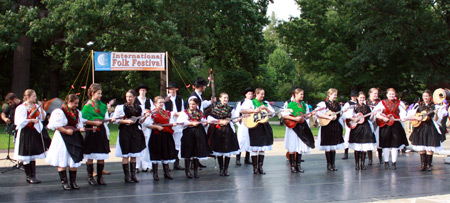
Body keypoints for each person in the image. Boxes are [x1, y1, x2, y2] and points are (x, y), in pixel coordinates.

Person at [46, 94, 85, 190]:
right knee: (62, 158)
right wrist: (65, 131)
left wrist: (80, 128)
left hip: (74, 136)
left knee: (74, 158)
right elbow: (55, 125)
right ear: (69, 102)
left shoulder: (77, 112)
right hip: (62, 138)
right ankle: (64, 182)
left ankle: (73, 182)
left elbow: (78, 124)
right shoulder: (60, 112)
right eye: (75, 103)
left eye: (77, 103)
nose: (76, 105)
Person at [113, 89, 148, 183]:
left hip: (135, 131)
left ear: (134, 97)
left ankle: (133, 175)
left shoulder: (139, 107)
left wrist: (144, 117)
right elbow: (115, 120)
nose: (128, 98)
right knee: (126, 154)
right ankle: (127, 176)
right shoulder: (121, 107)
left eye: (130, 97)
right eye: (127, 97)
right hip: (125, 131)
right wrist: (126, 121)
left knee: (134, 153)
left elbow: (140, 121)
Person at [82, 83, 112, 185]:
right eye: (98, 93)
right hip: (90, 131)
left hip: (101, 131)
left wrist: (108, 119)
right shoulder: (87, 106)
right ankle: (90, 177)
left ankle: (100, 177)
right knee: (90, 154)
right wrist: (93, 122)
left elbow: (105, 119)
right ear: (92, 93)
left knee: (101, 154)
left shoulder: (103, 106)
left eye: (101, 93)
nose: (100, 96)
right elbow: (82, 119)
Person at [408, 90, 446, 171]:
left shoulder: (434, 106)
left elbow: (436, 119)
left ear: (430, 97)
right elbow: (412, 116)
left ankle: (429, 164)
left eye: (427, 96)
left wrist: (435, 113)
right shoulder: (418, 106)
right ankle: (423, 164)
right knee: (421, 146)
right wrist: (417, 117)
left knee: (429, 146)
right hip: (420, 127)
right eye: (424, 96)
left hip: (430, 127)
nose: (425, 97)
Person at [14, 89, 46, 184]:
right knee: (26, 153)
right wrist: (31, 121)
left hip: (34, 131)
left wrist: (42, 108)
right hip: (26, 132)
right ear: (27, 97)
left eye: (35, 96)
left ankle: (33, 175)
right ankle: (29, 176)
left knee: (32, 153)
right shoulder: (22, 107)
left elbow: (42, 118)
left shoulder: (36, 106)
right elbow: (19, 121)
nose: (35, 98)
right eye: (33, 96)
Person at [240, 88, 275, 175]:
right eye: (261, 94)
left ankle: (260, 167)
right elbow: (242, 110)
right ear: (256, 94)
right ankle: (255, 168)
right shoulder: (250, 102)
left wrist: (266, 109)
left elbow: (273, 114)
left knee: (263, 147)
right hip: (254, 126)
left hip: (264, 126)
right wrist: (254, 110)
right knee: (255, 147)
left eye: (263, 94)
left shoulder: (265, 103)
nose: (262, 96)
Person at [177, 97, 212, 178]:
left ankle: (196, 171)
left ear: (197, 105)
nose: (192, 106)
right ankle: (187, 171)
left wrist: (206, 123)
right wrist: (191, 123)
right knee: (188, 150)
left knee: (197, 151)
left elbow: (203, 122)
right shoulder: (185, 113)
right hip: (189, 133)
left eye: (193, 104)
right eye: (190, 104)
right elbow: (181, 122)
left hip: (199, 133)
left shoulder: (200, 113)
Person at [373, 88, 408, 170]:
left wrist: (403, 118)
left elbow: (403, 113)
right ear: (387, 95)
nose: (391, 95)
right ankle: (386, 162)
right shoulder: (382, 103)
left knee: (395, 145)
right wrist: (383, 117)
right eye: (390, 94)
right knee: (386, 145)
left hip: (395, 125)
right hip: (386, 126)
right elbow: (376, 113)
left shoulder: (400, 103)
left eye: (393, 94)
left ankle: (394, 163)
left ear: (395, 94)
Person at [282, 88, 316, 173]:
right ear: (295, 95)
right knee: (292, 145)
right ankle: (293, 166)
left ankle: (298, 165)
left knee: (300, 144)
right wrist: (295, 119)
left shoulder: (304, 105)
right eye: (300, 94)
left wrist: (310, 115)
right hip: (293, 127)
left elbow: (305, 116)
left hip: (302, 126)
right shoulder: (289, 104)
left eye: (303, 94)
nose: (302, 96)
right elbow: (284, 115)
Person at [146, 96, 178, 181]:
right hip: (156, 135)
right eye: (159, 102)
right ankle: (155, 173)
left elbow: (170, 122)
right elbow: (148, 124)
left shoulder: (167, 113)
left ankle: (166, 172)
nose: (161, 104)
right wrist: (156, 127)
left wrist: (172, 124)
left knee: (166, 152)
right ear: (155, 103)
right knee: (156, 152)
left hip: (166, 134)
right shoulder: (152, 113)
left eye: (162, 102)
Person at [208, 92, 240, 176]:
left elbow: (234, 119)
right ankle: (221, 169)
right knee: (219, 150)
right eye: (224, 98)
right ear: (220, 98)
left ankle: (226, 169)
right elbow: (209, 118)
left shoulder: (230, 109)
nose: (226, 99)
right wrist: (219, 121)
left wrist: (238, 119)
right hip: (218, 131)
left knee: (227, 150)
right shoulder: (215, 108)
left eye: (227, 98)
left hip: (228, 131)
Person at [344, 91, 377, 170]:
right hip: (357, 128)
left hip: (365, 127)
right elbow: (347, 116)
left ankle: (362, 164)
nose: (362, 99)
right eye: (361, 97)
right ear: (357, 98)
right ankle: (357, 164)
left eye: (363, 98)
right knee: (357, 147)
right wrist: (355, 118)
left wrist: (373, 115)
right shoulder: (353, 107)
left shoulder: (367, 107)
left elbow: (370, 119)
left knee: (364, 147)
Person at [315, 88, 345, 171]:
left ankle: (333, 164)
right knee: (328, 146)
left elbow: (340, 115)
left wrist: (342, 113)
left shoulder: (337, 105)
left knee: (333, 146)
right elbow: (317, 113)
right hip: (327, 126)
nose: (335, 96)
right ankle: (328, 164)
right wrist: (328, 117)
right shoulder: (323, 104)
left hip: (335, 126)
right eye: (334, 94)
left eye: (336, 94)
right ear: (329, 94)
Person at [189, 77, 215, 168]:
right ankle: (193, 161)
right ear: (200, 86)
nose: (205, 87)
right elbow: (194, 108)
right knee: (194, 142)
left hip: (199, 120)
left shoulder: (198, 95)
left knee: (198, 141)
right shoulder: (193, 96)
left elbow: (201, 104)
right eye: (204, 85)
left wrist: (210, 102)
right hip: (195, 121)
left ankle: (197, 160)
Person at [164, 81, 185, 170]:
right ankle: (167, 163)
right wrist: (173, 114)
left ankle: (176, 162)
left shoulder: (180, 99)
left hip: (178, 123)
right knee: (169, 143)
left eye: (173, 89)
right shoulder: (165, 100)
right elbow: (163, 111)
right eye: (170, 89)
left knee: (177, 143)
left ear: (176, 90)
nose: (172, 91)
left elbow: (183, 110)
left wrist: (179, 114)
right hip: (170, 122)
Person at [134, 84, 154, 173]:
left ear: (146, 91)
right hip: (138, 124)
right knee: (138, 145)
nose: (142, 92)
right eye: (141, 90)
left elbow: (153, 110)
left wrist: (148, 112)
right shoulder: (135, 100)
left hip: (147, 125)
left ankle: (147, 165)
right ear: (139, 91)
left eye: (144, 90)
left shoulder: (149, 101)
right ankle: (137, 165)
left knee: (147, 145)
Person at [233, 88, 254, 165]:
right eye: (249, 94)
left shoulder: (252, 102)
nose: (250, 95)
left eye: (251, 94)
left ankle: (247, 158)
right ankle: (238, 159)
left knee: (249, 140)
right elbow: (238, 113)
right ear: (245, 94)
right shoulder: (241, 103)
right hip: (242, 123)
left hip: (250, 123)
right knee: (241, 140)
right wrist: (239, 122)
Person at [367, 88, 382, 165]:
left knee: (379, 139)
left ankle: (380, 157)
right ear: (370, 93)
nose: (376, 95)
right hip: (369, 122)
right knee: (369, 140)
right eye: (374, 93)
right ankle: (370, 159)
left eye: (377, 93)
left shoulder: (380, 103)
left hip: (378, 122)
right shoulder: (366, 103)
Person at [342, 90, 358, 160]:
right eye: (352, 96)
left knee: (358, 135)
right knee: (347, 135)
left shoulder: (359, 103)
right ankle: (346, 152)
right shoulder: (348, 104)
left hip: (357, 120)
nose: (354, 97)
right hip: (350, 121)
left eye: (355, 96)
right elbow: (343, 112)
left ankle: (358, 151)